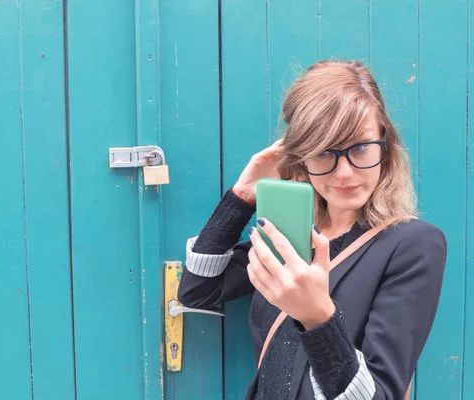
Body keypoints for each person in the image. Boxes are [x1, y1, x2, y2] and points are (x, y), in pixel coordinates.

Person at [177, 60, 447, 400]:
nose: (344, 173)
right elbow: (198, 290)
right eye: (323, 152)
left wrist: (317, 317)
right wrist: (243, 195)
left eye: (360, 147)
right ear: (301, 158)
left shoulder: (412, 244)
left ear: (385, 143)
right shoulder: (294, 238)